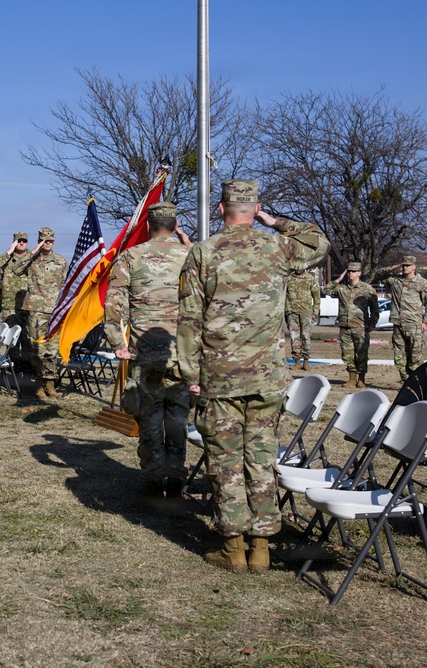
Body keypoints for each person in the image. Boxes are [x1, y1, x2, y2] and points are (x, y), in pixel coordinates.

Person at [177, 179, 329, 575]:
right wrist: (276, 221)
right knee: (261, 458)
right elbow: (320, 243)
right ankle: (261, 548)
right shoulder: (278, 246)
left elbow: (190, 318)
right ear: (254, 207)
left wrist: (190, 372)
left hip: (219, 377)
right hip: (267, 378)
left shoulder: (203, 252)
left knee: (225, 462)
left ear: (220, 208)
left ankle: (233, 548)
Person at [104, 202, 192, 499]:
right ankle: (176, 478)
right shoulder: (191, 256)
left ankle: (154, 479)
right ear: (174, 223)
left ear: (148, 225)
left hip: (145, 353)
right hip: (182, 353)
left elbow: (114, 301)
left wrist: (118, 343)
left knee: (151, 417)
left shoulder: (132, 256)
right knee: (178, 417)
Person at [12, 227, 68, 399]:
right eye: (44, 241)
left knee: (52, 350)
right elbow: (16, 270)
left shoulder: (60, 261)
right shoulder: (31, 260)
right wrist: (33, 252)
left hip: (54, 310)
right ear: (39, 242)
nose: (48, 243)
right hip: (36, 311)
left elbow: (65, 284)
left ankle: (50, 384)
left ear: (54, 241)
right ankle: (38, 385)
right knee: (38, 349)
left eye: (50, 240)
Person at [324, 262, 379, 388]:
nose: (350, 273)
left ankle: (361, 378)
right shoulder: (342, 288)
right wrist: (338, 279)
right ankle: (352, 378)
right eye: (349, 271)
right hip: (345, 326)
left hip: (360, 326)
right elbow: (326, 290)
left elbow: (375, 309)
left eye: (353, 271)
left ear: (359, 273)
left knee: (361, 353)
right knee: (347, 354)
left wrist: (372, 324)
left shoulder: (367, 289)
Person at [374, 256, 427, 382]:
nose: (405, 267)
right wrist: (391, 268)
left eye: (408, 265)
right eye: (403, 265)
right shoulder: (396, 281)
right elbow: (377, 276)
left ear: (414, 267)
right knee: (400, 356)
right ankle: (405, 381)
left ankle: (418, 383)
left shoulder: (422, 283)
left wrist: (425, 321)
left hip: (414, 324)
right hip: (398, 323)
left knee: (415, 356)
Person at [0, 232, 32, 362]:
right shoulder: (6, 260)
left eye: (24, 240)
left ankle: (26, 371)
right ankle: (15, 369)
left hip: (27, 306)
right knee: (12, 342)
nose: (22, 243)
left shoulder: (33, 258)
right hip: (10, 307)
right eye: (19, 241)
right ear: (14, 242)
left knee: (27, 341)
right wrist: (8, 252)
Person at [285, 268, 320, 370]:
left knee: (306, 336)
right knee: (294, 336)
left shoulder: (310, 278)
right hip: (291, 311)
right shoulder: (289, 278)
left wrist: (315, 312)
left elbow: (317, 297)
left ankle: (306, 360)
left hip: (306, 312)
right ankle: (296, 361)